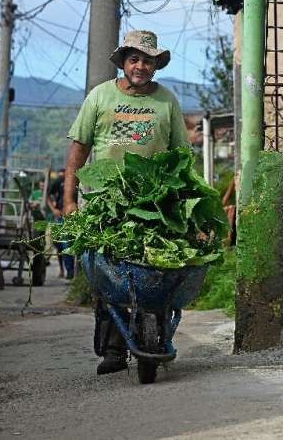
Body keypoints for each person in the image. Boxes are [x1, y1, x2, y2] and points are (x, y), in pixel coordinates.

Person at [63, 30, 190, 375]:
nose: (140, 66)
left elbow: (182, 154)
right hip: (106, 204)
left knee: (157, 270)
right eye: (134, 59)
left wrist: (187, 199)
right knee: (109, 276)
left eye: (147, 60)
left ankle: (156, 333)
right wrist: (70, 200)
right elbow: (78, 153)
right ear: (124, 63)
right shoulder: (100, 97)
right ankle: (114, 349)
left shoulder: (166, 101)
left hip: (156, 203)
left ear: (155, 65)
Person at [46, 168, 74, 279]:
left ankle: (71, 271)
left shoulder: (79, 180)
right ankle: (67, 270)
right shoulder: (60, 180)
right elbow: (48, 196)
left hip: (73, 216)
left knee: (68, 243)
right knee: (61, 245)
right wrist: (54, 210)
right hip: (61, 216)